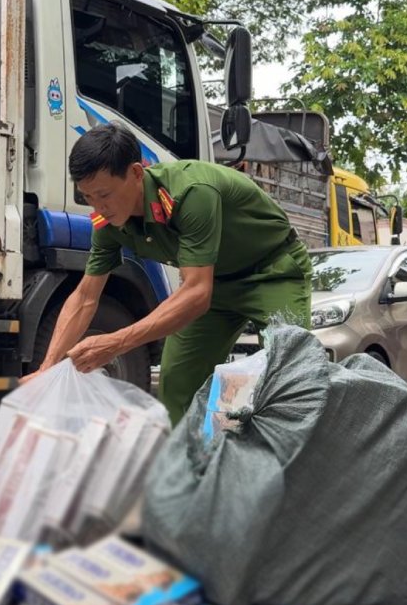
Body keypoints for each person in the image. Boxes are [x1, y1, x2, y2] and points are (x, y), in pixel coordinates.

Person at [24, 122, 311, 425]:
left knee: (286, 378)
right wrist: (47, 369)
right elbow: (85, 297)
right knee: (177, 382)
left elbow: (197, 294)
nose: (98, 207)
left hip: (272, 272)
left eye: (104, 194)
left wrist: (116, 342)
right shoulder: (108, 223)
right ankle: (190, 467)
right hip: (212, 286)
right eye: (88, 197)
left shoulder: (191, 193)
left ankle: (286, 467)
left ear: (136, 173)